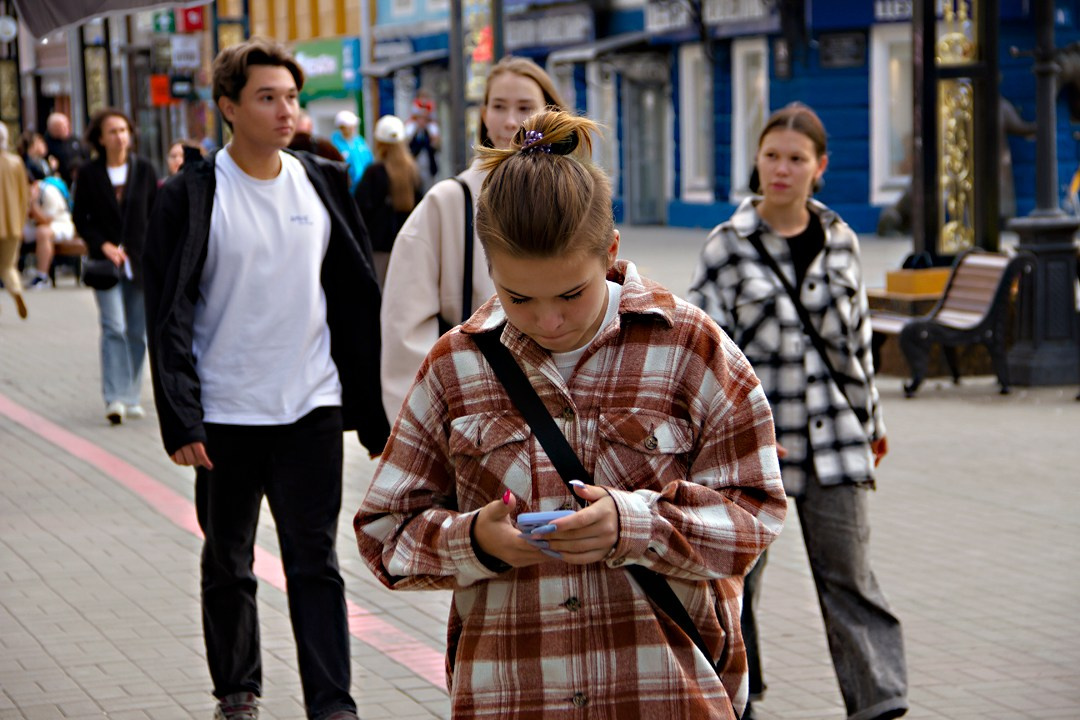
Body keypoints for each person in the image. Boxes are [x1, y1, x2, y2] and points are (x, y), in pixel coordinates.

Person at [355, 109, 787, 719]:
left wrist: (635, 525)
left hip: (667, 693)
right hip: (512, 693)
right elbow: (384, 534)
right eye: (519, 297)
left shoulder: (691, 346)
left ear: (610, 250)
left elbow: (756, 512)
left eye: (570, 293)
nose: (548, 320)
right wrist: (474, 540)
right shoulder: (457, 364)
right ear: (489, 265)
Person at [143, 37, 389, 720]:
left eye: (292, 97)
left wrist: (371, 415)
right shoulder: (190, 196)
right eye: (268, 97)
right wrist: (181, 418)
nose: (287, 110)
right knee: (229, 560)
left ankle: (333, 705)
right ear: (229, 107)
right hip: (225, 415)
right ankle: (238, 692)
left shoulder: (322, 181)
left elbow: (354, 297)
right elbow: (165, 313)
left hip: (310, 407)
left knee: (316, 562)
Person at [688, 102, 908, 720]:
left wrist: (874, 427)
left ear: (819, 168)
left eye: (795, 159)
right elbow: (708, 356)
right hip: (759, 448)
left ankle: (879, 703)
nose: (781, 169)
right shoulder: (726, 246)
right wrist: (733, 436)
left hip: (838, 439)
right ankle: (738, 700)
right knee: (738, 584)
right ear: (757, 162)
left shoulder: (842, 240)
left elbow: (857, 344)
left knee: (851, 578)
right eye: (771, 157)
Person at [380, 55, 566, 421]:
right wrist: (423, 427)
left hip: (564, 405)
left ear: (550, 113)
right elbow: (405, 327)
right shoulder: (449, 202)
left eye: (525, 107)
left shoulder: (573, 197)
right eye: (498, 106)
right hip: (479, 412)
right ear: (482, 113)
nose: (511, 121)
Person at [72, 108, 158, 425]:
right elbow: (80, 218)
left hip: (139, 263)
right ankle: (114, 398)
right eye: (113, 131)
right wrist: (103, 245)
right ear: (100, 138)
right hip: (104, 266)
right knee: (114, 328)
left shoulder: (145, 169)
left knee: (137, 332)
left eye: (124, 130)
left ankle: (132, 395)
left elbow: (154, 215)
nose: (120, 136)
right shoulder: (89, 173)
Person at [353, 114, 421, 287]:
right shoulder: (412, 170)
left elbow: (360, 210)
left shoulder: (374, 172)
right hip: (408, 246)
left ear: (379, 142)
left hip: (379, 249)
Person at [24, 175, 76, 289]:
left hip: (61, 224)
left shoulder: (49, 192)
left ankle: (42, 277)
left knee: (43, 232)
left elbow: (45, 221)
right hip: (35, 226)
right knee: (13, 233)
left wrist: (33, 204)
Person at [0, 123, 30, 320]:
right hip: (11, 223)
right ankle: (15, 288)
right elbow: (24, 196)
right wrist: (20, 221)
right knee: (7, 266)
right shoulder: (15, 162)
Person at [404, 89, 440, 191]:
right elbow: (406, 142)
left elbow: (436, 144)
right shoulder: (411, 127)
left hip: (429, 167)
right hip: (415, 167)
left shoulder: (432, 128)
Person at [329, 109, 372, 192]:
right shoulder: (335, 143)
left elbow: (369, 160)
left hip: (364, 187)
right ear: (341, 128)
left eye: (353, 126)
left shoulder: (359, 141)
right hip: (346, 189)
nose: (352, 129)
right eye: (349, 127)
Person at [44, 111, 90, 188]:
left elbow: (86, 156)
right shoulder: (46, 144)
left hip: (80, 180)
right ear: (52, 129)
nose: (65, 128)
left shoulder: (75, 140)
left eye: (66, 125)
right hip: (60, 183)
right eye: (61, 126)